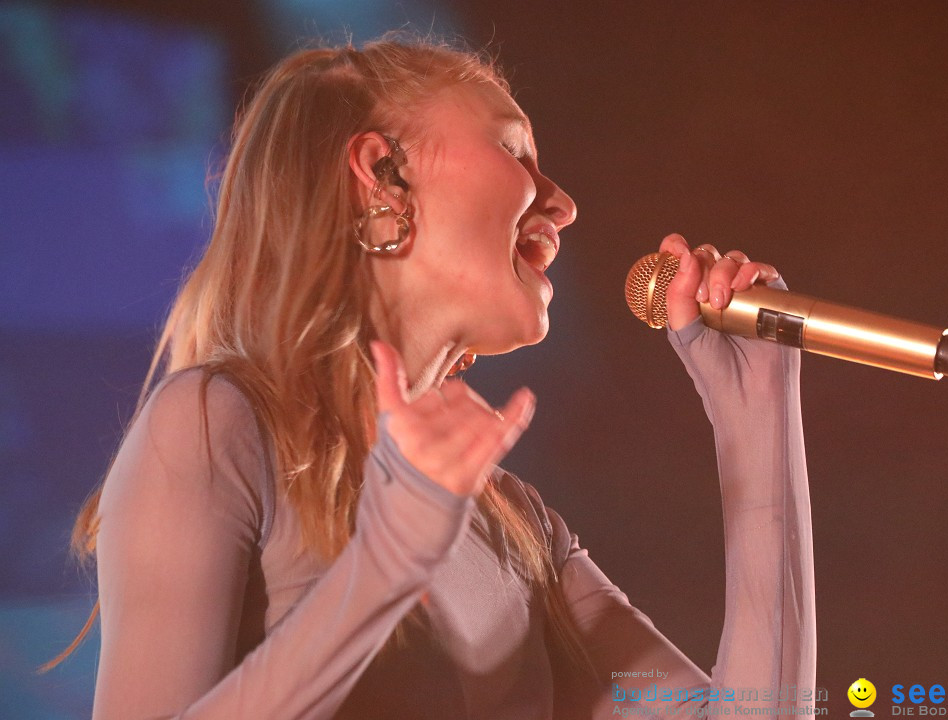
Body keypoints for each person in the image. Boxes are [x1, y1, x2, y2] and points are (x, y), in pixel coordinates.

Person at [49, 34, 815, 719]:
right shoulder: (216, 427)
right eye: (514, 150)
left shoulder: (517, 524)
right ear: (380, 175)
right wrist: (386, 560)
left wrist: (756, 411)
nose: (565, 205)